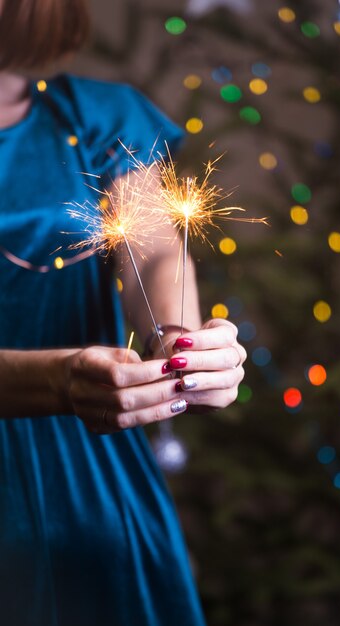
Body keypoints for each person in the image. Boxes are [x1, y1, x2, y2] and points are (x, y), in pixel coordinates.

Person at [0, 1, 246, 624]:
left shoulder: (100, 121)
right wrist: (56, 380)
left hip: (90, 479)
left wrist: (180, 334)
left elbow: (160, 251)